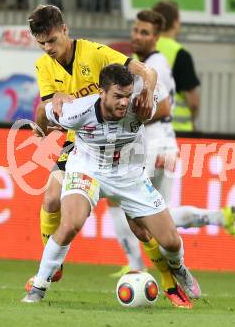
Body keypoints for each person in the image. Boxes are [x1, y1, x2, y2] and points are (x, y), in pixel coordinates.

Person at [22, 64, 201, 304]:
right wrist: (43, 131)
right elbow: (43, 110)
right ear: (101, 93)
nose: (124, 103)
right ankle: (38, 288)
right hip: (87, 169)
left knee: (170, 241)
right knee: (71, 223)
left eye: (127, 96)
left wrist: (148, 93)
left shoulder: (141, 106)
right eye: (117, 96)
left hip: (130, 176)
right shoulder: (76, 111)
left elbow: (161, 98)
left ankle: (178, 268)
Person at [108, 10, 235, 289]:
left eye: (144, 32)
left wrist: (127, 117)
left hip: (152, 144)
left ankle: (135, 267)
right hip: (163, 143)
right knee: (161, 215)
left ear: (157, 37)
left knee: (119, 200)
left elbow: (164, 107)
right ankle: (219, 218)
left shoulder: (156, 64)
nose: (137, 36)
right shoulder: (149, 63)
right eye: (135, 30)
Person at [26, 4, 156, 285]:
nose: (48, 48)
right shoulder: (43, 66)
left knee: (140, 225)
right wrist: (51, 104)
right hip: (80, 143)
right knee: (50, 198)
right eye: (41, 43)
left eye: (52, 40)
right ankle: (53, 265)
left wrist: (147, 91)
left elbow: (146, 71)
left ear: (64, 30)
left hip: (118, 143)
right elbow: (49, 106)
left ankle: (171, 275)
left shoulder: (95, 53)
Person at [152, 0, 200, 132]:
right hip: (176, 130)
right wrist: (193, 120)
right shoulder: (180, 54)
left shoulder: (139, 52)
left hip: (147, 130)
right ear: (175, 22)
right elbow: (193, 102)